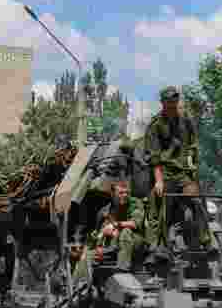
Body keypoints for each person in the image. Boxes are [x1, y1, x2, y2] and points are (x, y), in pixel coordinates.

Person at [143, 86, 213, 251]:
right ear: (163, 103)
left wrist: (192, 163)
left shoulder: (186, 120)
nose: (173, 104)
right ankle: (159, 246)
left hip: (183, 173)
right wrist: (158, 181)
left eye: (175, 101)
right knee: (161, 205)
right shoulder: (155, 125)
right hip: (164, 173)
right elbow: (154, 157)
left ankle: (206, 240)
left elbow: (194, 145)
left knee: (196, 198)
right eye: (169, 102)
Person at [90, 180, 144, 271]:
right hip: (115, 242)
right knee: (104, 229)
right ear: (113, 194)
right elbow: (98, 231)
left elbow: (135, 224)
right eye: (121, 193)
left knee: (126, 231)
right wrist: (103, 233)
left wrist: (116, 225)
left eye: (127, 192)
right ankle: (101, 255)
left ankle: (122, 267)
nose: (125, 195)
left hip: (135, 240)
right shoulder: (108, 209)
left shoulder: (135, 203)